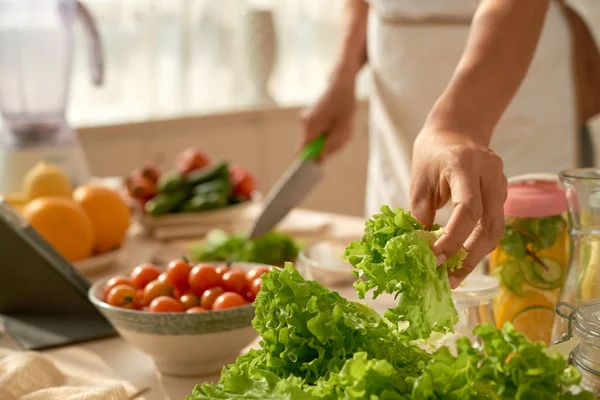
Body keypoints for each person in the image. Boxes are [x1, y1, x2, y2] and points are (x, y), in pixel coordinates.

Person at [301, 0, 600, 287]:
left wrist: (458, 124)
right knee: (398, 280)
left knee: (530, 279)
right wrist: (342, 74)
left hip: (514, 62)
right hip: (398, 72)